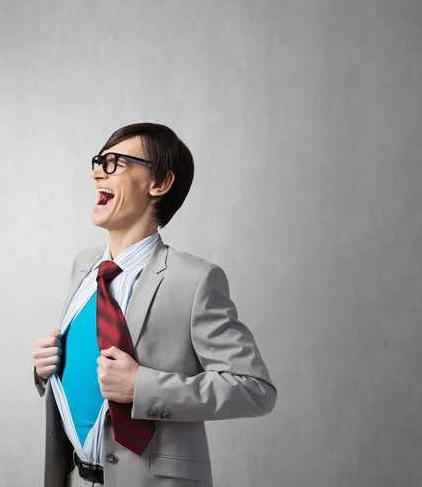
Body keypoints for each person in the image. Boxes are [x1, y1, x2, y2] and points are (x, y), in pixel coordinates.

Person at [32, 122, 277, 487]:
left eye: (115, 162)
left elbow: (254, 389)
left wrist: (143, 387)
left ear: (159, 183)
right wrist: (45, 369)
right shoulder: (83, 268)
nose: (97, 171)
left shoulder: (194, 280)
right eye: (99, 160)